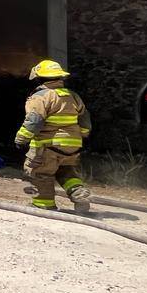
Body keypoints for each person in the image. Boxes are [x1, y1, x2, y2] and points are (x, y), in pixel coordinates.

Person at [14, 60, 92, 212]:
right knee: (65, 170)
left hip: (48, 145)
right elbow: (84, 120)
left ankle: (43, 205)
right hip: (73, 145)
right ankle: (79, 193)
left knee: (39, 172)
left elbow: (34, 121)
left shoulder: (40, 97)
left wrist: (21, 139)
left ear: (39, 78)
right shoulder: (73, 96)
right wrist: (82, 135)